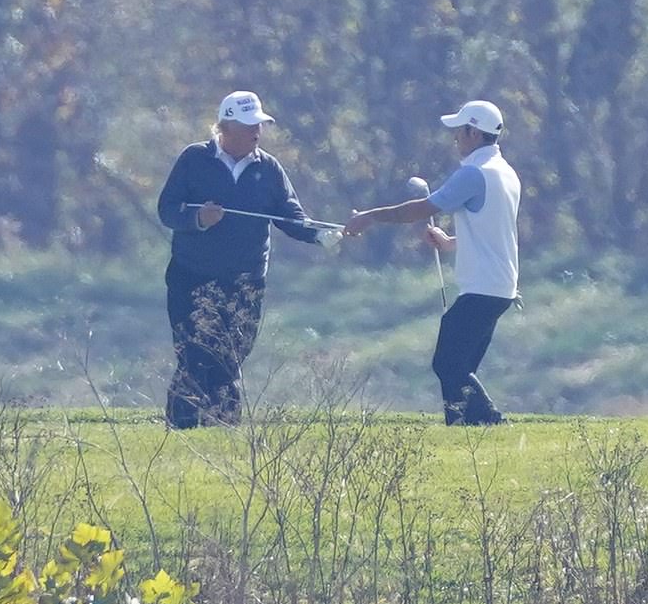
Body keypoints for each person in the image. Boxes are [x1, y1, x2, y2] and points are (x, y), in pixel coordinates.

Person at [157, 90, 342, 429]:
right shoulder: (194, 159)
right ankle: (182, 428)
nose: (256, 132)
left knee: (229, 359)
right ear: (225, 127)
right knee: (194, 356)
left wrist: (318, 234)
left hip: (246, 281)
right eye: (248, 126)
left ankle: (223, 430)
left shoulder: (268, 168)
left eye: (258, 125)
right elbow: (167, 209)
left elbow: (290, 215)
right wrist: (198, 220)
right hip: (191, 277)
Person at [343, 100, 520, 426]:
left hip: (482, 286)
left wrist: (370, 217)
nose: (456, 139)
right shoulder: (506, 172)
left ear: (472, 132)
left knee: (448, 364)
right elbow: (492, 231)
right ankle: (464, 427)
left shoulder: (474, 173)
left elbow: (420, 209)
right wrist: (450, 243)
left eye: (459, 132)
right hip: (501, 285)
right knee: (460, 365)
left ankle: (493, 421)